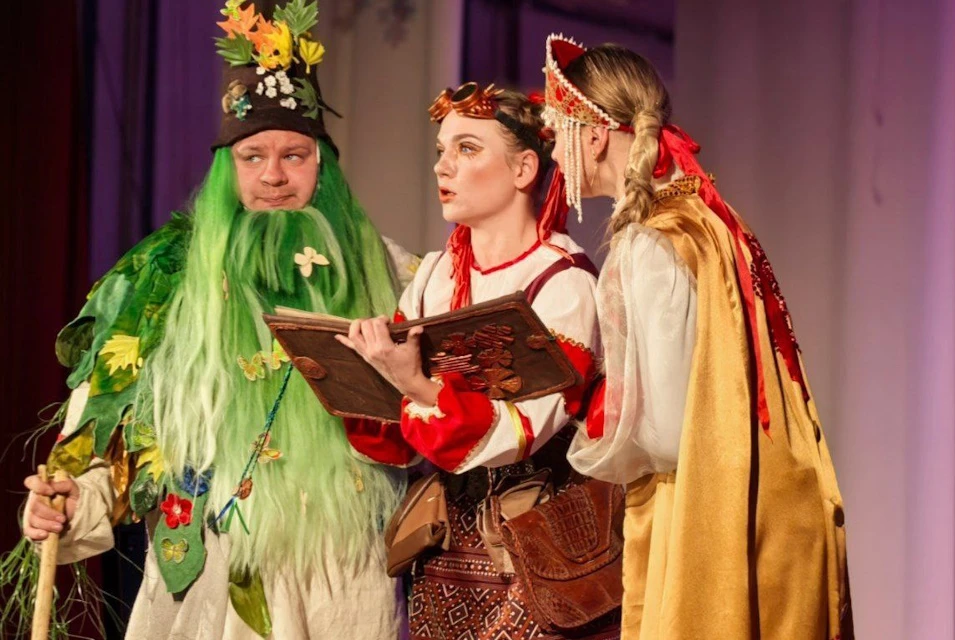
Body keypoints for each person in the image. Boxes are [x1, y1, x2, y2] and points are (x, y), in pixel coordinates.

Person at [16, 2, 409, 637]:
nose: (273, 176)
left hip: (339, 581)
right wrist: (69, 505)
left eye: (295, 155)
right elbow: (102, 434)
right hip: (207, 585)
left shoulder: (393, 275)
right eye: (252, 156)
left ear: (325, 166)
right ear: (227, 167)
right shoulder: (161, 281)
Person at [539, 34, 854, 639]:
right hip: (773, 505)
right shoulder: (709, 220)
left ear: (595, 135)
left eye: (559, 132)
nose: (554, 152)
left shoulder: (648, 243)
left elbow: (664, 435)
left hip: (706, 519)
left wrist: (587, 408)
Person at [338, 82, 619, 640]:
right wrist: (356, 373)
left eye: (467, 149)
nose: (443, 166)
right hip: (448, 551)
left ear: (523, 169)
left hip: (543, 548)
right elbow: (399, 436)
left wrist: (416, 385)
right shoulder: (436, 274)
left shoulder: (562, 281)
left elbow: (522, 432)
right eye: (442, 150)